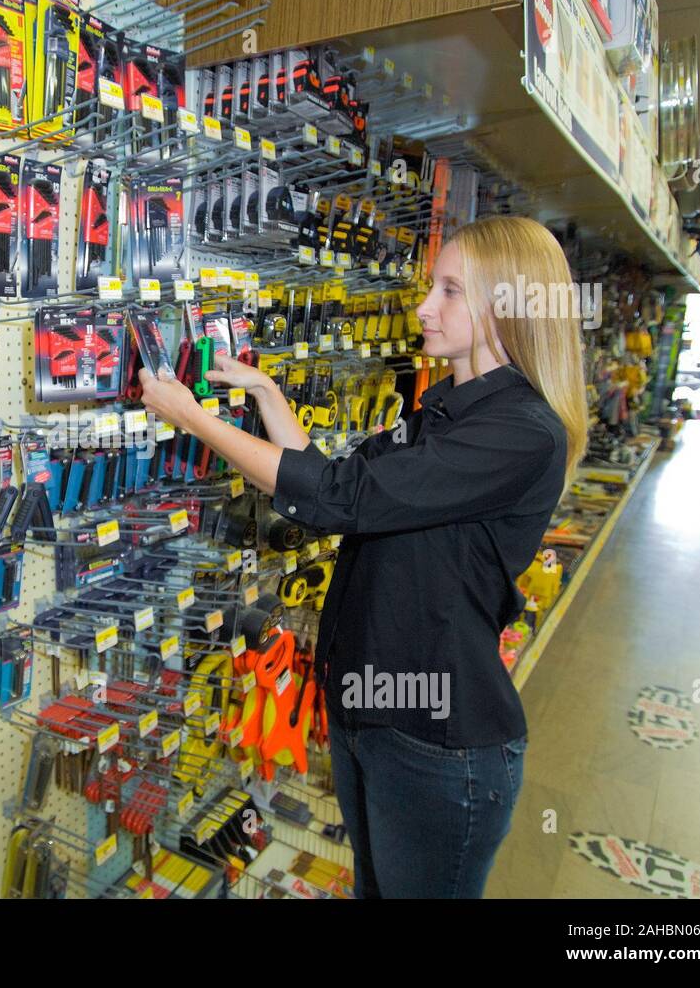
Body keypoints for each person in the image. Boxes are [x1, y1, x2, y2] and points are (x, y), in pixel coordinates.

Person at [138, 216, 588, 898]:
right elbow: (330, 480)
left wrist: (196, 419)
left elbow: (336, 497)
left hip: (438, 741)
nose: (422, 307)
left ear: (509, 304)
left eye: (449, 291)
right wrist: (267, 395)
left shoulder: (520, 435)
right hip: (371, 719)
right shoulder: (445, 410)